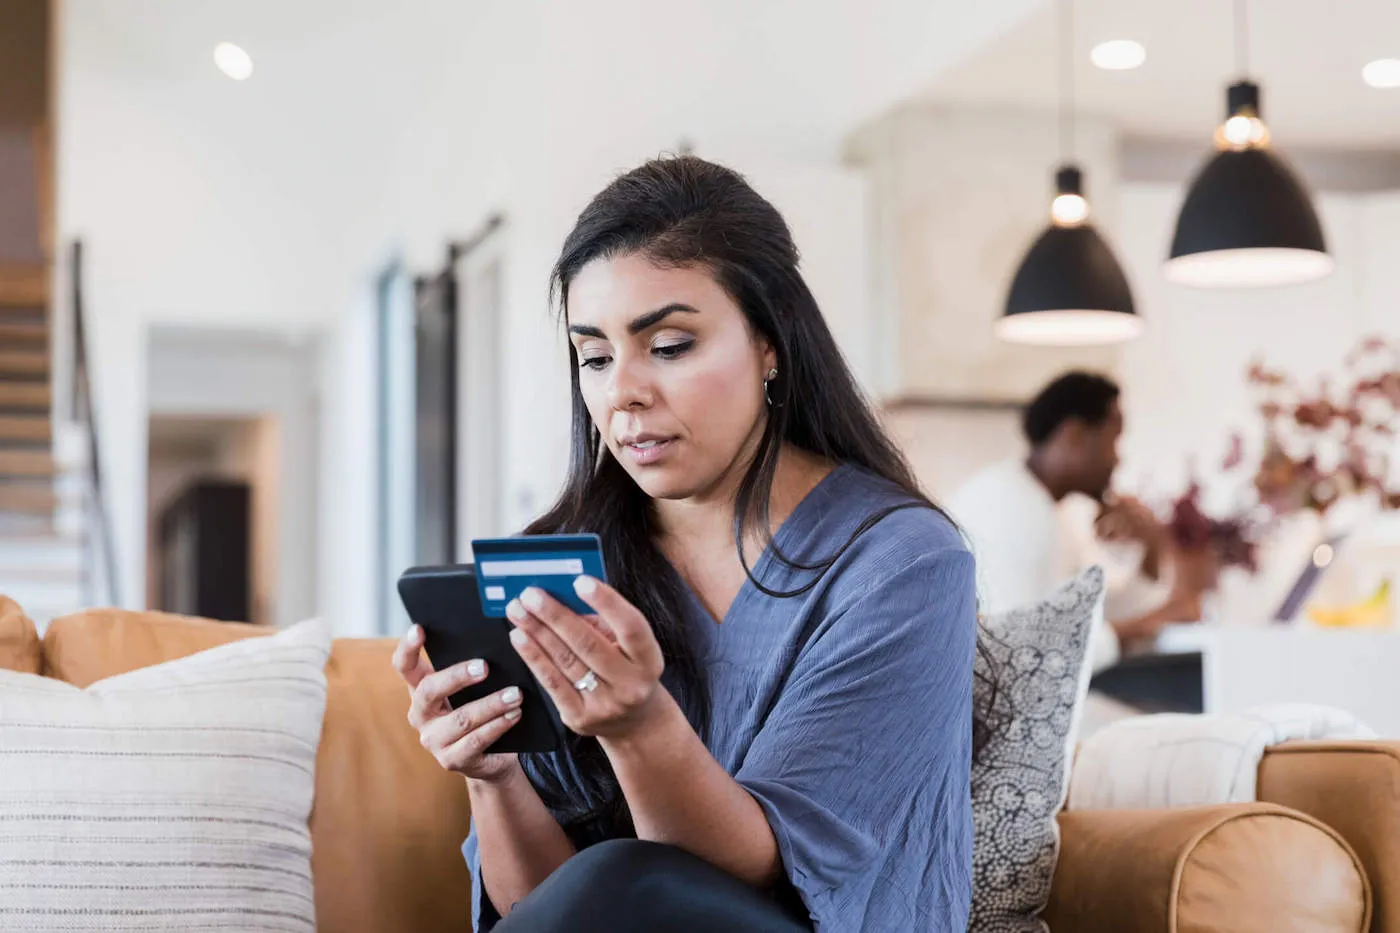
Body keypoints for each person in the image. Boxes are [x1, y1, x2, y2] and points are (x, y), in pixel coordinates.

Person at [392, 156, 987, 932]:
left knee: (624, 874)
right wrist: (494, 772)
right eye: (595, 357)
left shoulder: (903, 565)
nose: (623, 391)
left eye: (669, 346)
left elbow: (756, 879)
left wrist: (641, 727)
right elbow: (540, 907)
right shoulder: (562, 555)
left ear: (770, 343)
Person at [948, 371, 1211, 672]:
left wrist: (1150, 546)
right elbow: (1025, 649)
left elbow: (1087, 613)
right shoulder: (1013, 512)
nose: (1117, 459)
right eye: (1114, 439)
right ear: (1074, 435)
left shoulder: (1041, 504)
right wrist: (1148, 624)